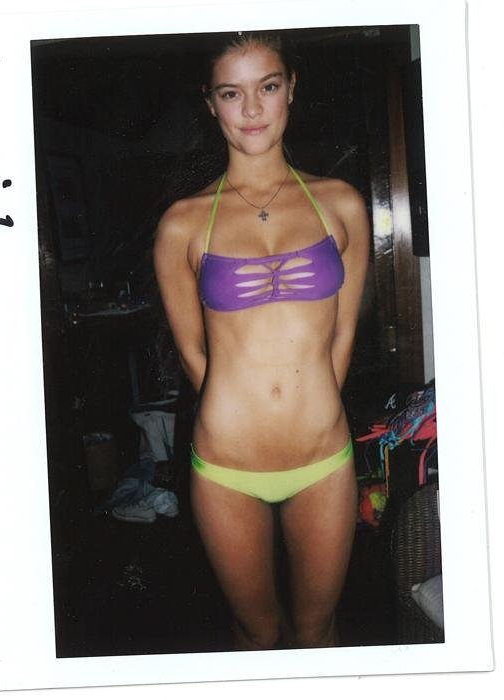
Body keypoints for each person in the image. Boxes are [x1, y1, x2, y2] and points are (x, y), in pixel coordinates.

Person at [153, 31, 370, 650]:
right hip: (227, 467)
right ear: (210, 103)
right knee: (257, 632)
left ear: (290, 89)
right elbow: (193, 351)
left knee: (317, 631)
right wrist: (245, 411)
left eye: (267, 87)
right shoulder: (182, 223)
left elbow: (343, 333)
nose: (252, 109)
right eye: (232, 93)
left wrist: (308, 410)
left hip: (323, 459)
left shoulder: (341, 205)